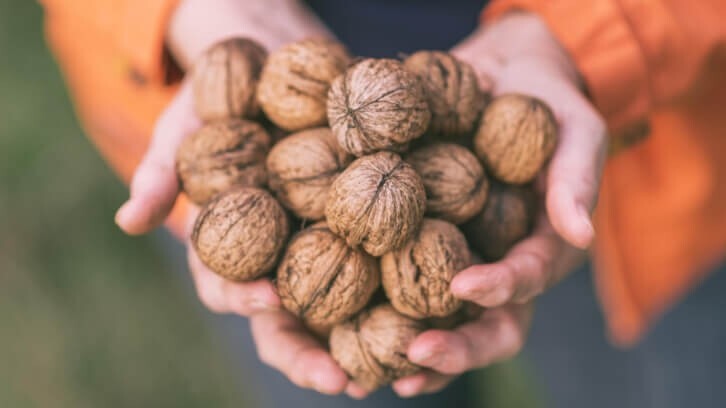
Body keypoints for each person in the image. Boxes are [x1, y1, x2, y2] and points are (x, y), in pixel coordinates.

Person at [39, 0, 726, 406]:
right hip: (232, 61)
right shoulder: (280, 163)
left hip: (654, 158)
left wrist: (592, 30)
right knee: (331, 370)